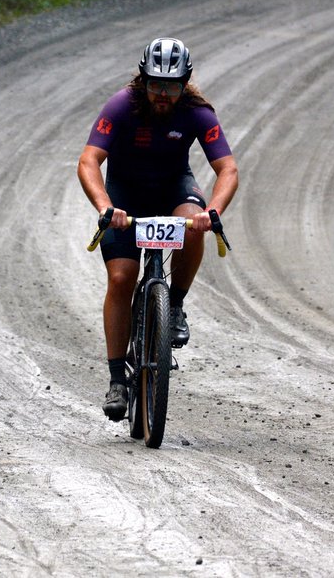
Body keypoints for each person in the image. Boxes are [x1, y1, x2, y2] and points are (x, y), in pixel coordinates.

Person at [77, 37, 239, 420]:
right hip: (124, 196)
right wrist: (105, 206)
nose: (163, 94)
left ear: (186, 82)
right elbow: (88, 161)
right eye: (155, 84)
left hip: (172, 189)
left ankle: (176, 306)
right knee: (121, 278)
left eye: (171, 86)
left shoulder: (197, 112)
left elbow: (227, 169)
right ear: (142, 80)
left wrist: (212, 211)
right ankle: (118, 378)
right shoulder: (121, 106)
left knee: (194, 227)